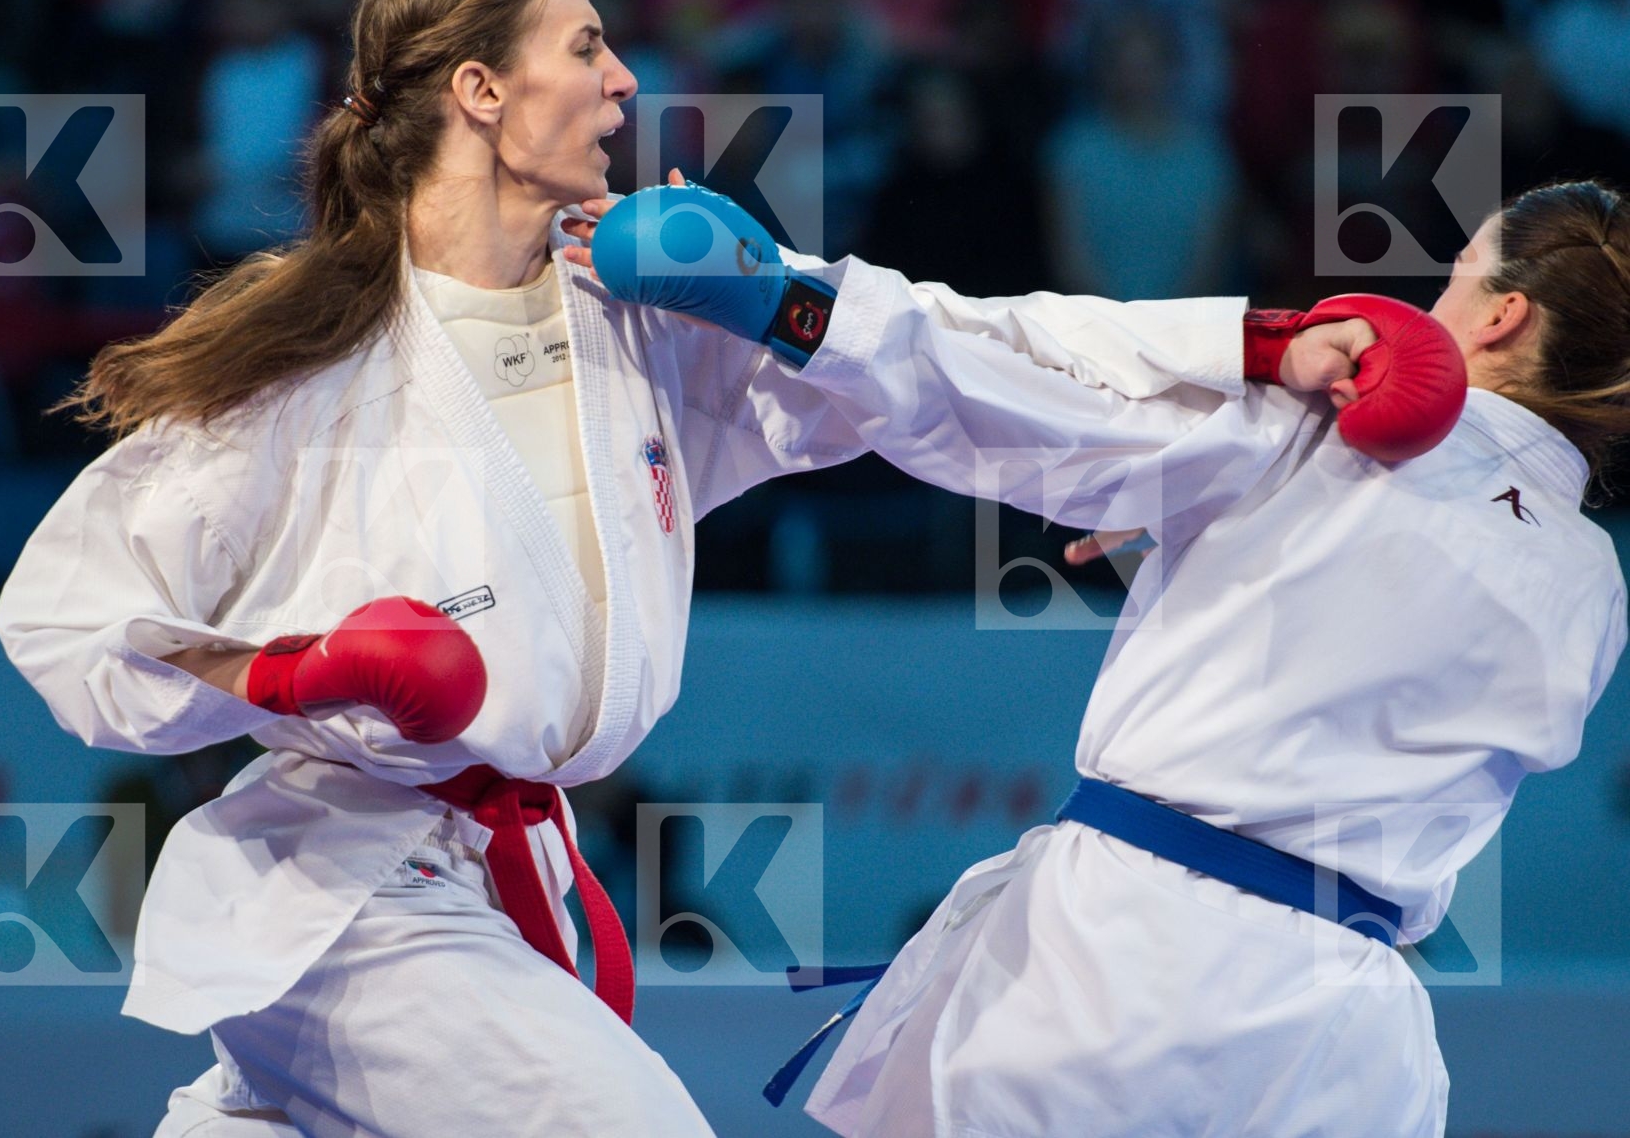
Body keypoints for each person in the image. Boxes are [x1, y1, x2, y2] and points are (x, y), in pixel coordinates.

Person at [0, 0, 1307, 1133]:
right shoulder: (312, 354)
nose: (625, 78)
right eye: (583, 47)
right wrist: (288, 675)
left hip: (499, 889)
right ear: (479, 91)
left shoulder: (644, 319)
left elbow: (936, 347)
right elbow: (68, 617)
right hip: (344, 887)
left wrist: (1249, 360)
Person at [573, 179, 1630, 1136]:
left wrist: (788, 296)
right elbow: (1367, 662)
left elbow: (1015, 378)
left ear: (1504, 316)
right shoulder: (1595, 586)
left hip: (1125, 965)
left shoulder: (1332, 415)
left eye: (1454, 279)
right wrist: (1206, 536)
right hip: (1353, 1032)